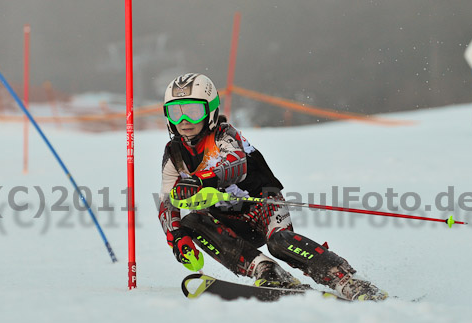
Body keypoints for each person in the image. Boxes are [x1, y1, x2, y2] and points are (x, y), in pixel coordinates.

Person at [158, 73, 387, 301]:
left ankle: (345, 279)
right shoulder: (174, 154)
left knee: (280, 242)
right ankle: (266, 270)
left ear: (210, 111)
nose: (183, 121)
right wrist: (177, 237)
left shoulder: (224, 135)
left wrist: (201, 180)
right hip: (229, 221)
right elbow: (166, 201)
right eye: (175, 112)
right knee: (192, 222)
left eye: (193, 111)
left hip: (262, 206)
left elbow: (236, 164)